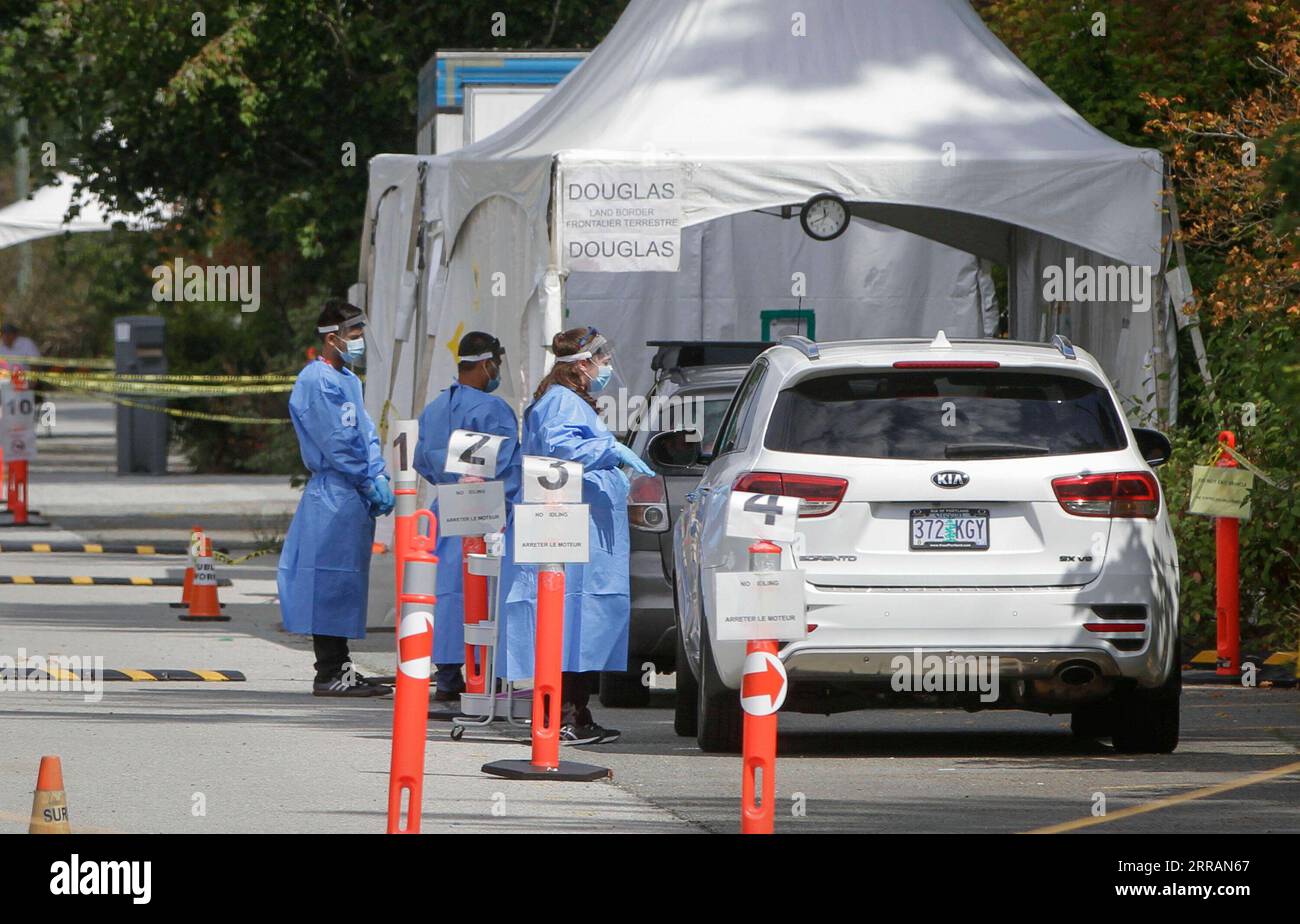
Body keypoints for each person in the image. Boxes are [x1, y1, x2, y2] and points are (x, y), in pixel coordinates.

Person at [501, 327, 654, 745]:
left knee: (580, 625)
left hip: (582, 530)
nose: (606, 367)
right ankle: (564, 715)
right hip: (570, 529)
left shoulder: (565, 401)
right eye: (601, 360)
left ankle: (574, 713)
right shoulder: (560, 403)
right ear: (582, 364)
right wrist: (609, 451)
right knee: (568, 623)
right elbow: (559, 450)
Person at [277, 300, 396, 697]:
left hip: (353, 492)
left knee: (345, 584)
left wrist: (378, 472)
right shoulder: (317, 381)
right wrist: (365, 478)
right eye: (355, 335)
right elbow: (336, 443)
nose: (360, 342)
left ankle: (341, 667)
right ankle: (329, 670)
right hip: (334, 492)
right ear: (333, 339)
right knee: (328, 582)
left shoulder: (348, 380)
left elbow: (364, 433)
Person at [413, 331, 521, 704]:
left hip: (446, 508)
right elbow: (507, 466)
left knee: (447, 592)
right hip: (485, 510)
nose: (498, 372)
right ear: (485, 364)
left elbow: (421, 461)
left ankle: (447, 676)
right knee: (484, 594)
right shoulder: (494, 411)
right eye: (498, 365)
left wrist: (450, 485)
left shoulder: (434, 409)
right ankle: (484, 677)